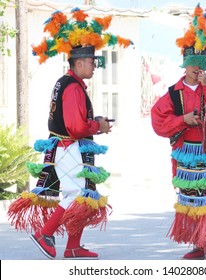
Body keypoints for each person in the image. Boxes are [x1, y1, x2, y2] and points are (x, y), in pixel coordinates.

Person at [7, 8, 133, 260]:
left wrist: (95, 123)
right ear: (78, 62)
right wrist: (98, 126)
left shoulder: (64, 83)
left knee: (82, 194)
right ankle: (46, 233)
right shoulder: (73, 87)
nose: (95, 66)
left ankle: (73, 246)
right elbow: (76, 127)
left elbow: (74, 121)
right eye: (91, 61)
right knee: (76, 194)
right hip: (69, 147)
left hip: (63, 147)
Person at [151, 4, 206, 260]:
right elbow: (158, 122)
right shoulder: (173, 94)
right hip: (186, 152)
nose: (197, 70)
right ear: (184, 66)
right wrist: (182, 120)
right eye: (193, 66)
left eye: (201, 66)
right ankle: (198, 243)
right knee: (191, 197)